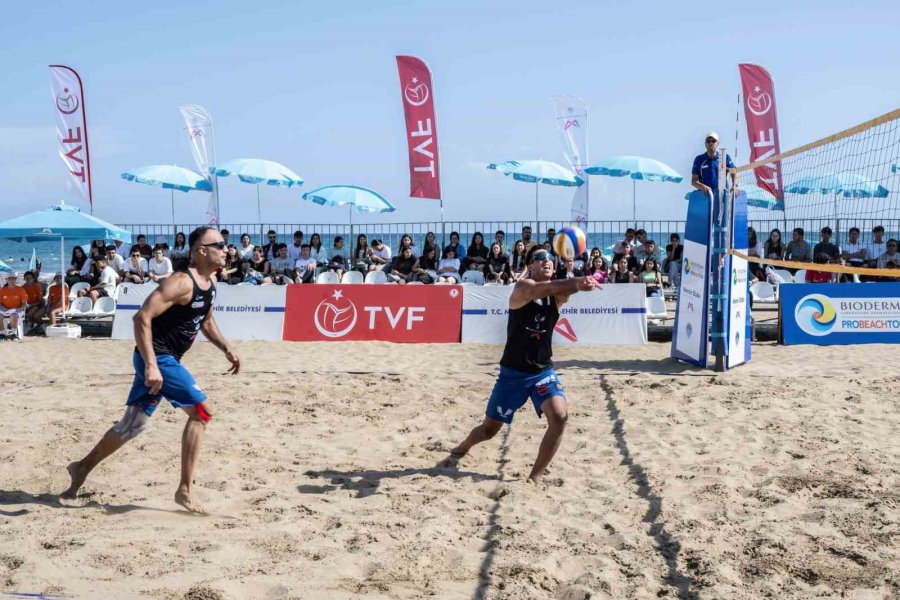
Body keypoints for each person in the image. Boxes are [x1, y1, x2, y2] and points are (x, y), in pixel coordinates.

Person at [62, 226, 240, 513]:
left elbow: (205, 320)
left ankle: (81, 469)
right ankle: (185, 490)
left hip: (165, 360)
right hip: (158, 357)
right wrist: (151, 365)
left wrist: (226, 348)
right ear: (201, 251)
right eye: (219, 244)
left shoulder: (211, 282)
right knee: (202, 412)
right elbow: (141, 317)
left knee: (133, 425)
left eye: (225, 244)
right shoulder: (181, 282)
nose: (225, 248)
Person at [444, 246, 598, 482]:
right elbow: (551, 287)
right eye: (540, 258)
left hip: (542, 372)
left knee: (560, 417)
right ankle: (463, 446)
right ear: (530, 265)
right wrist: (577, 281)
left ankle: (535, 477)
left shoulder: (557, 295)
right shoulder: (523, 287)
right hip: (512, 375)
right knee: (488, 431)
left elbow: (561, 289)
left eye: (550, 259)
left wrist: (579, 281)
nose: (547, 261)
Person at [691, 131, 736, 198]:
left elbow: (734, 172)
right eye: (708, 141)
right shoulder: (699, 159)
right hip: (706, 197)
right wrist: (702, 186)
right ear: (705, 144)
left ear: (718, 143)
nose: (711, 143)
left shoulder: (725, 157)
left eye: (713, 141)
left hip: (723, 198)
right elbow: (694, 181)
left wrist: (735, 186)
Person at [0, 275, 28, 339]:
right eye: (9, 279)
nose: (11, 280)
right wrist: (2, 308)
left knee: (13, 316)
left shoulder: (20, 289)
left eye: (13, 279)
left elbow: (24, 303)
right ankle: (2, 333)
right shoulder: (2, 290)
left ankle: (14, 334)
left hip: (17, 310)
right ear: (7, 280)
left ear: (15, 280)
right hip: (5, 310)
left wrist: (19, 309)